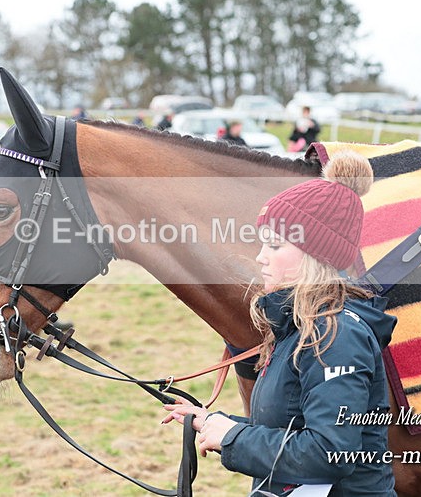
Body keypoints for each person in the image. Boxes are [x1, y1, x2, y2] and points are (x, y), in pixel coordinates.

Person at [163, 151, 396, 496]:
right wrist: (212, 422)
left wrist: (231, 436)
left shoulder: (337, 336)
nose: (260, 256)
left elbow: (330, 453)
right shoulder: (299, 330)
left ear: (315, 254)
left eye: (274, 244)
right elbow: (289, 430)